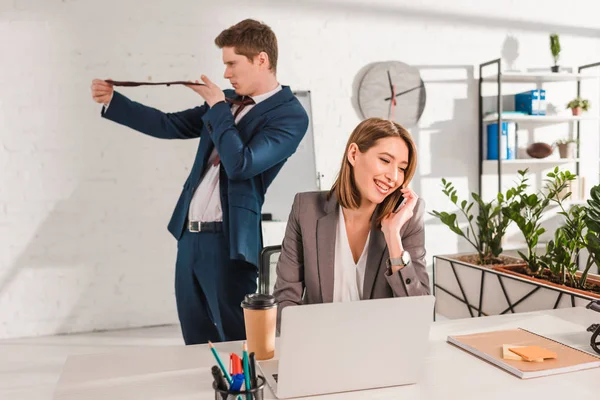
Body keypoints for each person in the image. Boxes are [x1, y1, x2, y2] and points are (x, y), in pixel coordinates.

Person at [90, 19, 309, 345]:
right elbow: (170, 124)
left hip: (229, 243)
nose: (226, 74)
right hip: (188, 237)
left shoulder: (290, 116)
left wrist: (218, 106)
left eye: (232, 63)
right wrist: (114, 100)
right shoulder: (230, 100)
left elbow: (240, 164)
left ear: (261, 60)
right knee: (195, 339)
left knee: (236, 340)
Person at [273, 117, 429, 324]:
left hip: (383, 347)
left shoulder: (407, 217)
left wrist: (393, 237)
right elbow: (286, 299)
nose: (393, 176)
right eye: (385, 160)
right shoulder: (306, 209)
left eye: (402, 168)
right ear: (354, 154)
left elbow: (419, 314)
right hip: (321, 343)